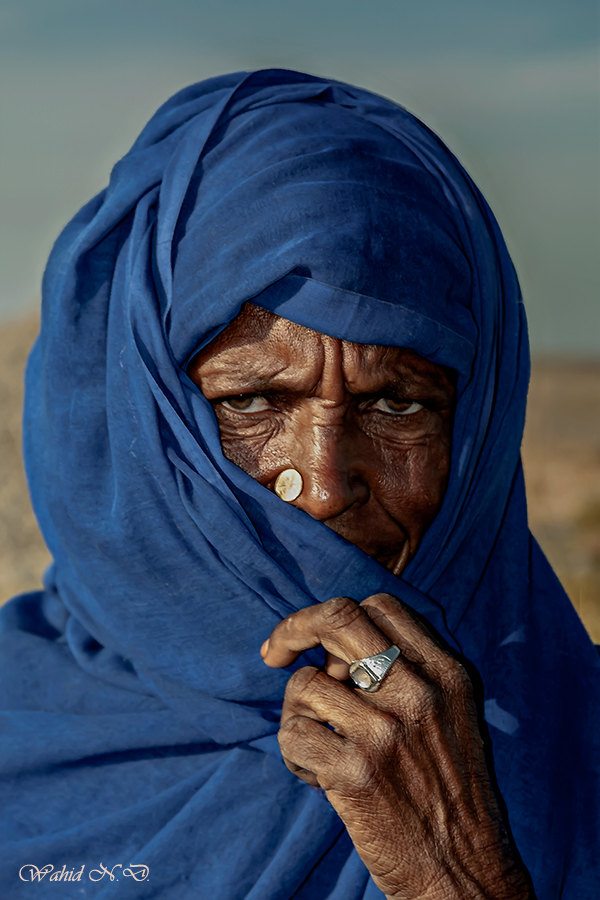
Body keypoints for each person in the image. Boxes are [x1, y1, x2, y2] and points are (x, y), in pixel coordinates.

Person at [0, 69, 597, 899]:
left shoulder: (577, 755)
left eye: (396, 403)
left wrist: (454, 875)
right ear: (131, 424)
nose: (322, 489)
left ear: (478, 432)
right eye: (248, 401)